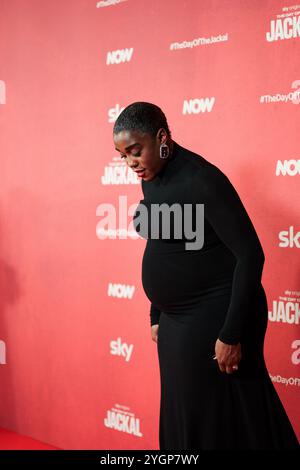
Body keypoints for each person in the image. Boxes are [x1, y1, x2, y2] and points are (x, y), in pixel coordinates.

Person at [112, 101, 299, 450]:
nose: (130, 163)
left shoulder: (202, 180)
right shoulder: (151, 178)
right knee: (187, 411)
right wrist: (157, 312)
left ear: (162, 138)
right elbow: (162, 240)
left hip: (217, 313)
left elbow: (250, 255)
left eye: (135, 152)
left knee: (229, 417)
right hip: (176, 318)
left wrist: (231, 334)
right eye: (122, 156)